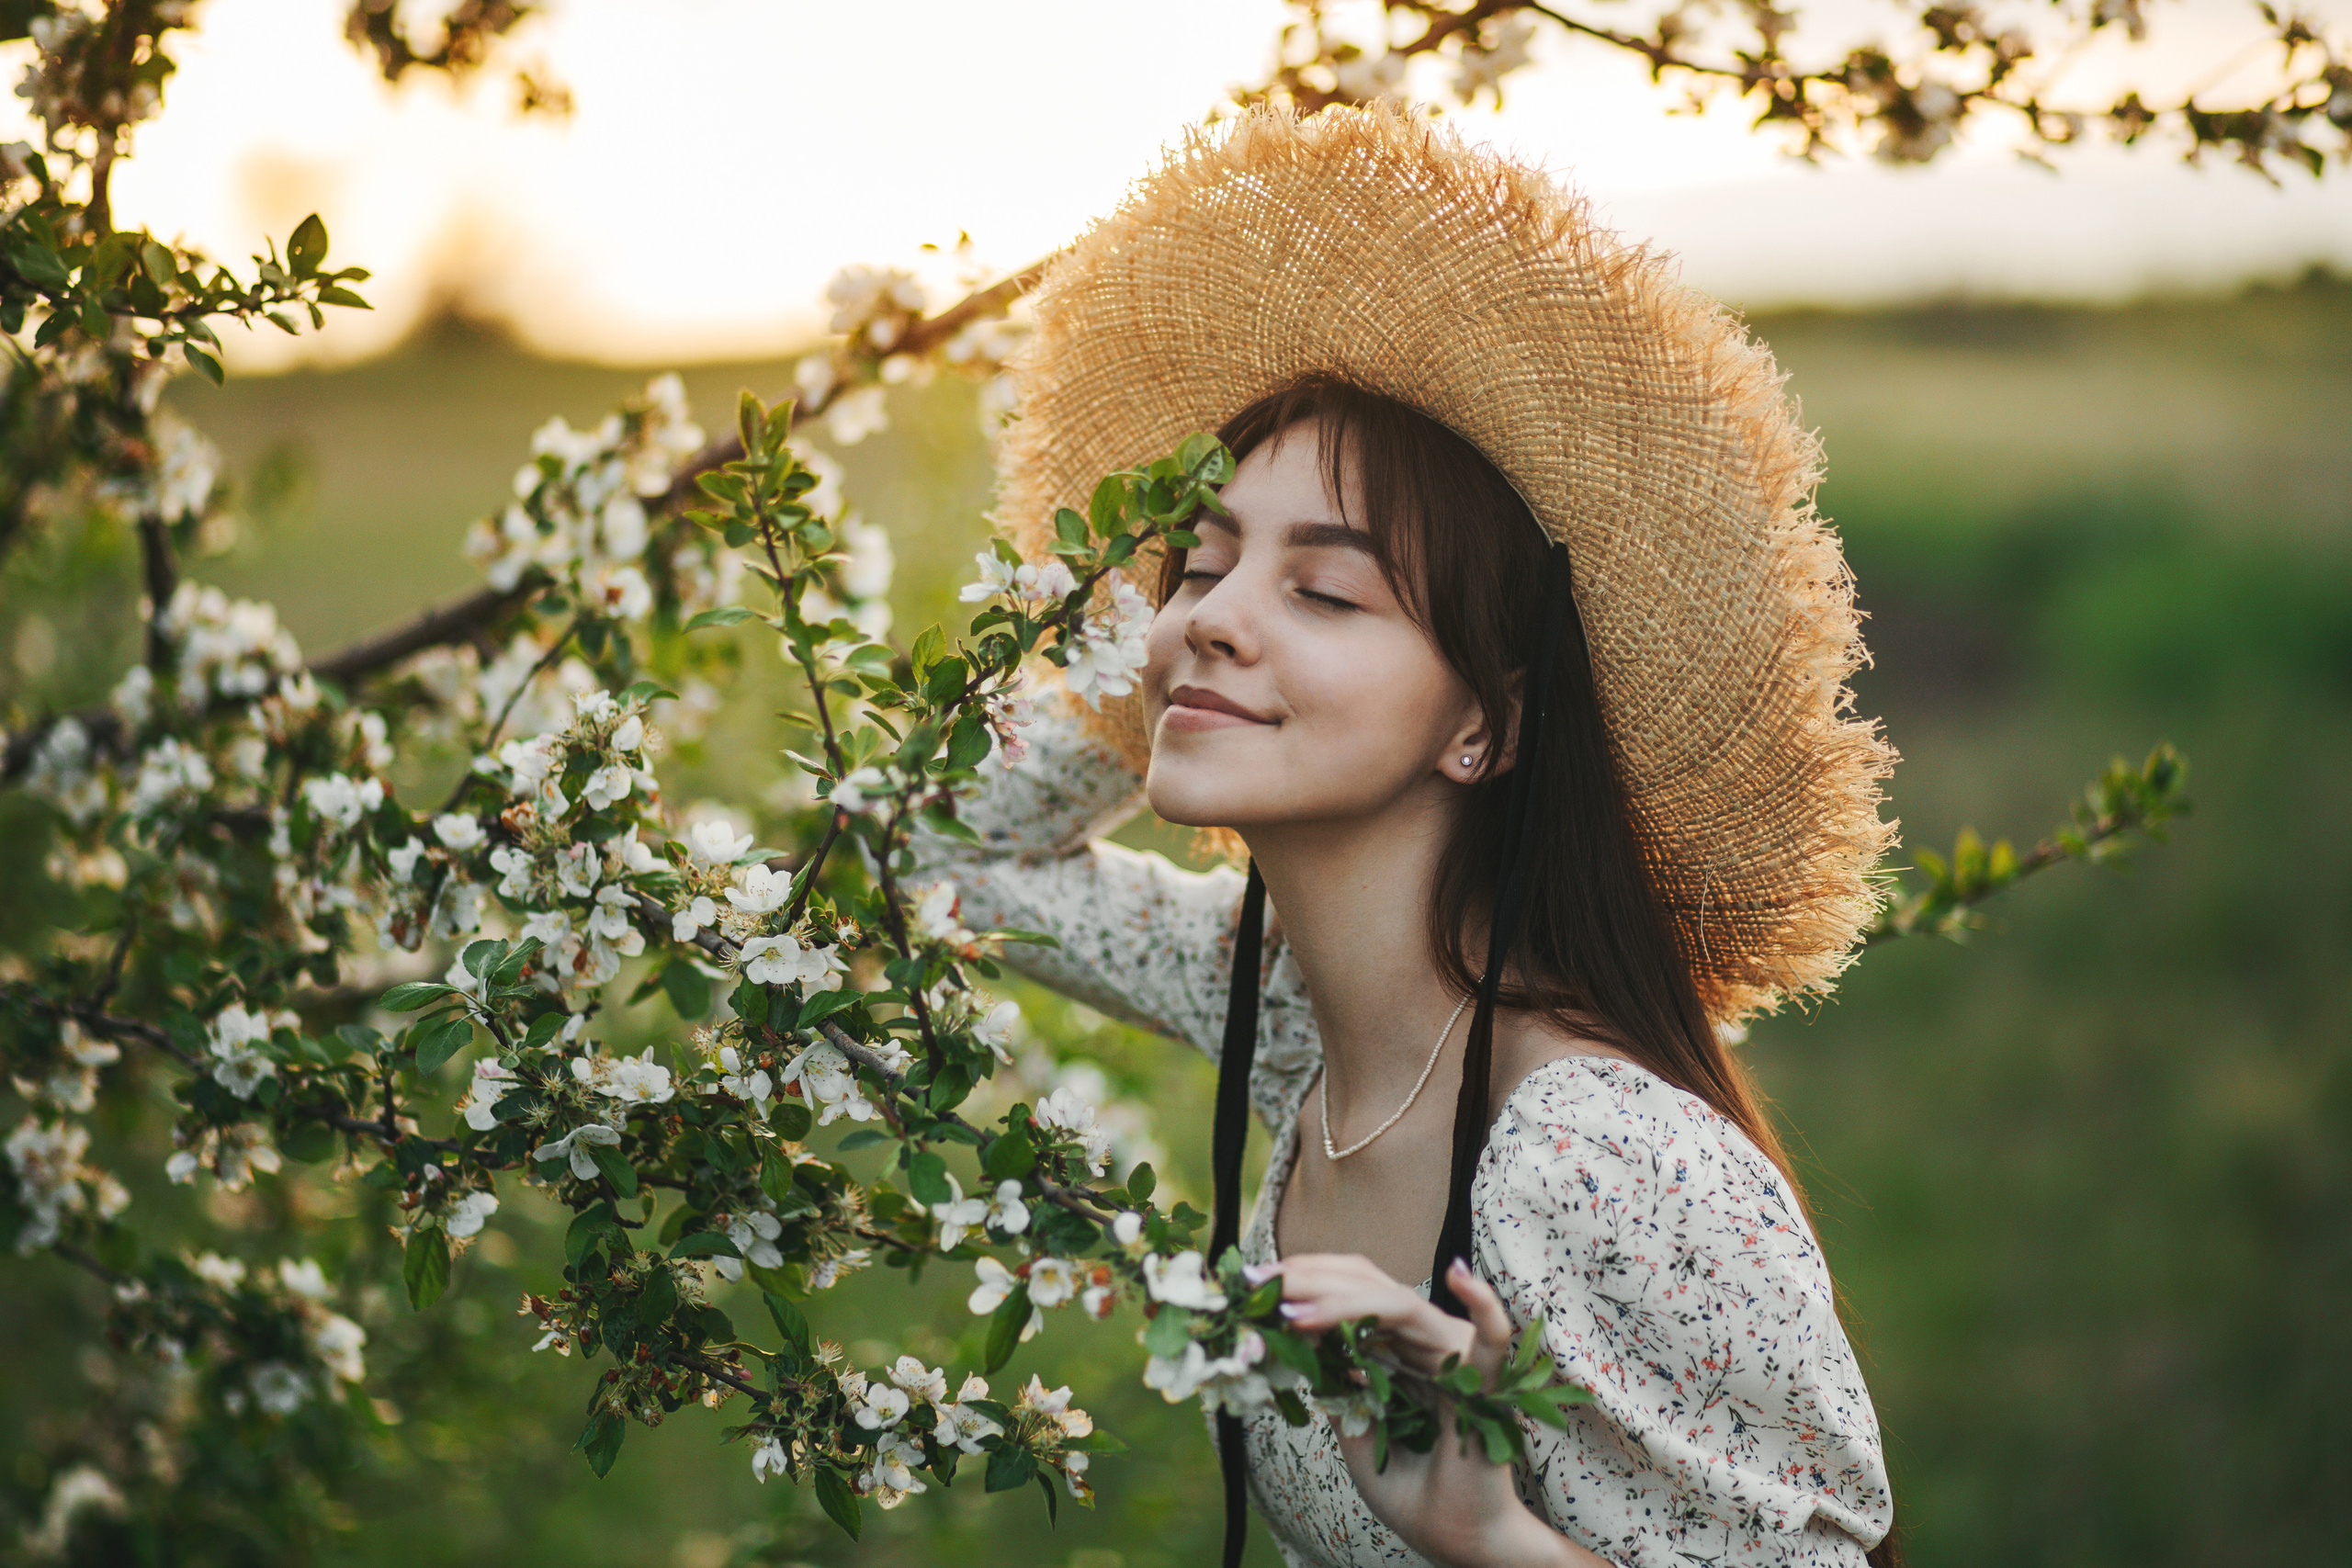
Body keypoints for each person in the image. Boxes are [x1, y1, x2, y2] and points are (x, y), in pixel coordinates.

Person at [913, 106, 1898, 1568]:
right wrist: (1155, 638)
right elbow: (936, 857)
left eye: (1327, 592)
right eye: (1202, 557)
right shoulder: (1307, 1019)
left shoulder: (1597, 1160)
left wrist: (1491, 1541)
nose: (1220, 612)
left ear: (1482, 728)